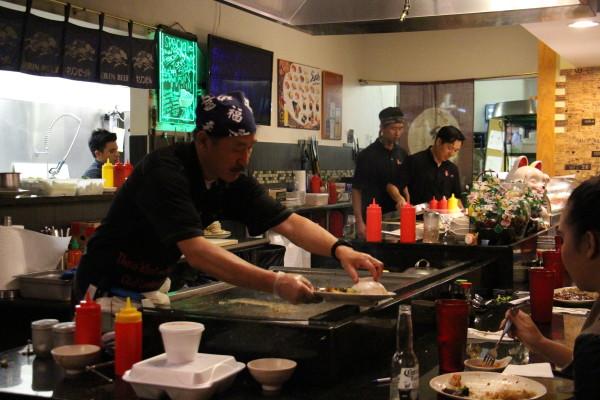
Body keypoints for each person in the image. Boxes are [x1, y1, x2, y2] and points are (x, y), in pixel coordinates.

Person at [75, 92, 383, 305]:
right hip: (103, 292)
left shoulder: (230, 179)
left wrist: (341, 249)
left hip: (149, 291)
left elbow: (288, 223)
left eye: (250, 147)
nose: (245, 159)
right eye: (237, 148)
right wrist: (275, 282)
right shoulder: (166, 171)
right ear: (203, 141)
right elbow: (197, 253)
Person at [503, 176, 600, 399]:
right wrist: (540, 343)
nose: (562, 250)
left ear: (589, 244)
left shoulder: (594, 343)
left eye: (563, 238)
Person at [352, 106, 408, 238]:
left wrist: (407, 208)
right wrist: (359, 222)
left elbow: (405, 187)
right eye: (393, 128)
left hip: (397, 218)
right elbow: (356, 190)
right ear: (382, 128)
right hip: (373, 218)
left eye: (400, 129)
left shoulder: (402, 154)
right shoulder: (367, 155)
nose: (397, 133)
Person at [387, 125, 464, 208]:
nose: (452, 154)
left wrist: (462, 212)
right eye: (449, 148)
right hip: (418, 218)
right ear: (439, 141)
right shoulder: (415, 161)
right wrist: (400, 199)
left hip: (445, 219)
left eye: (456, 150)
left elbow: (457, 198)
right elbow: (392, 186)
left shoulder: (452, 169)